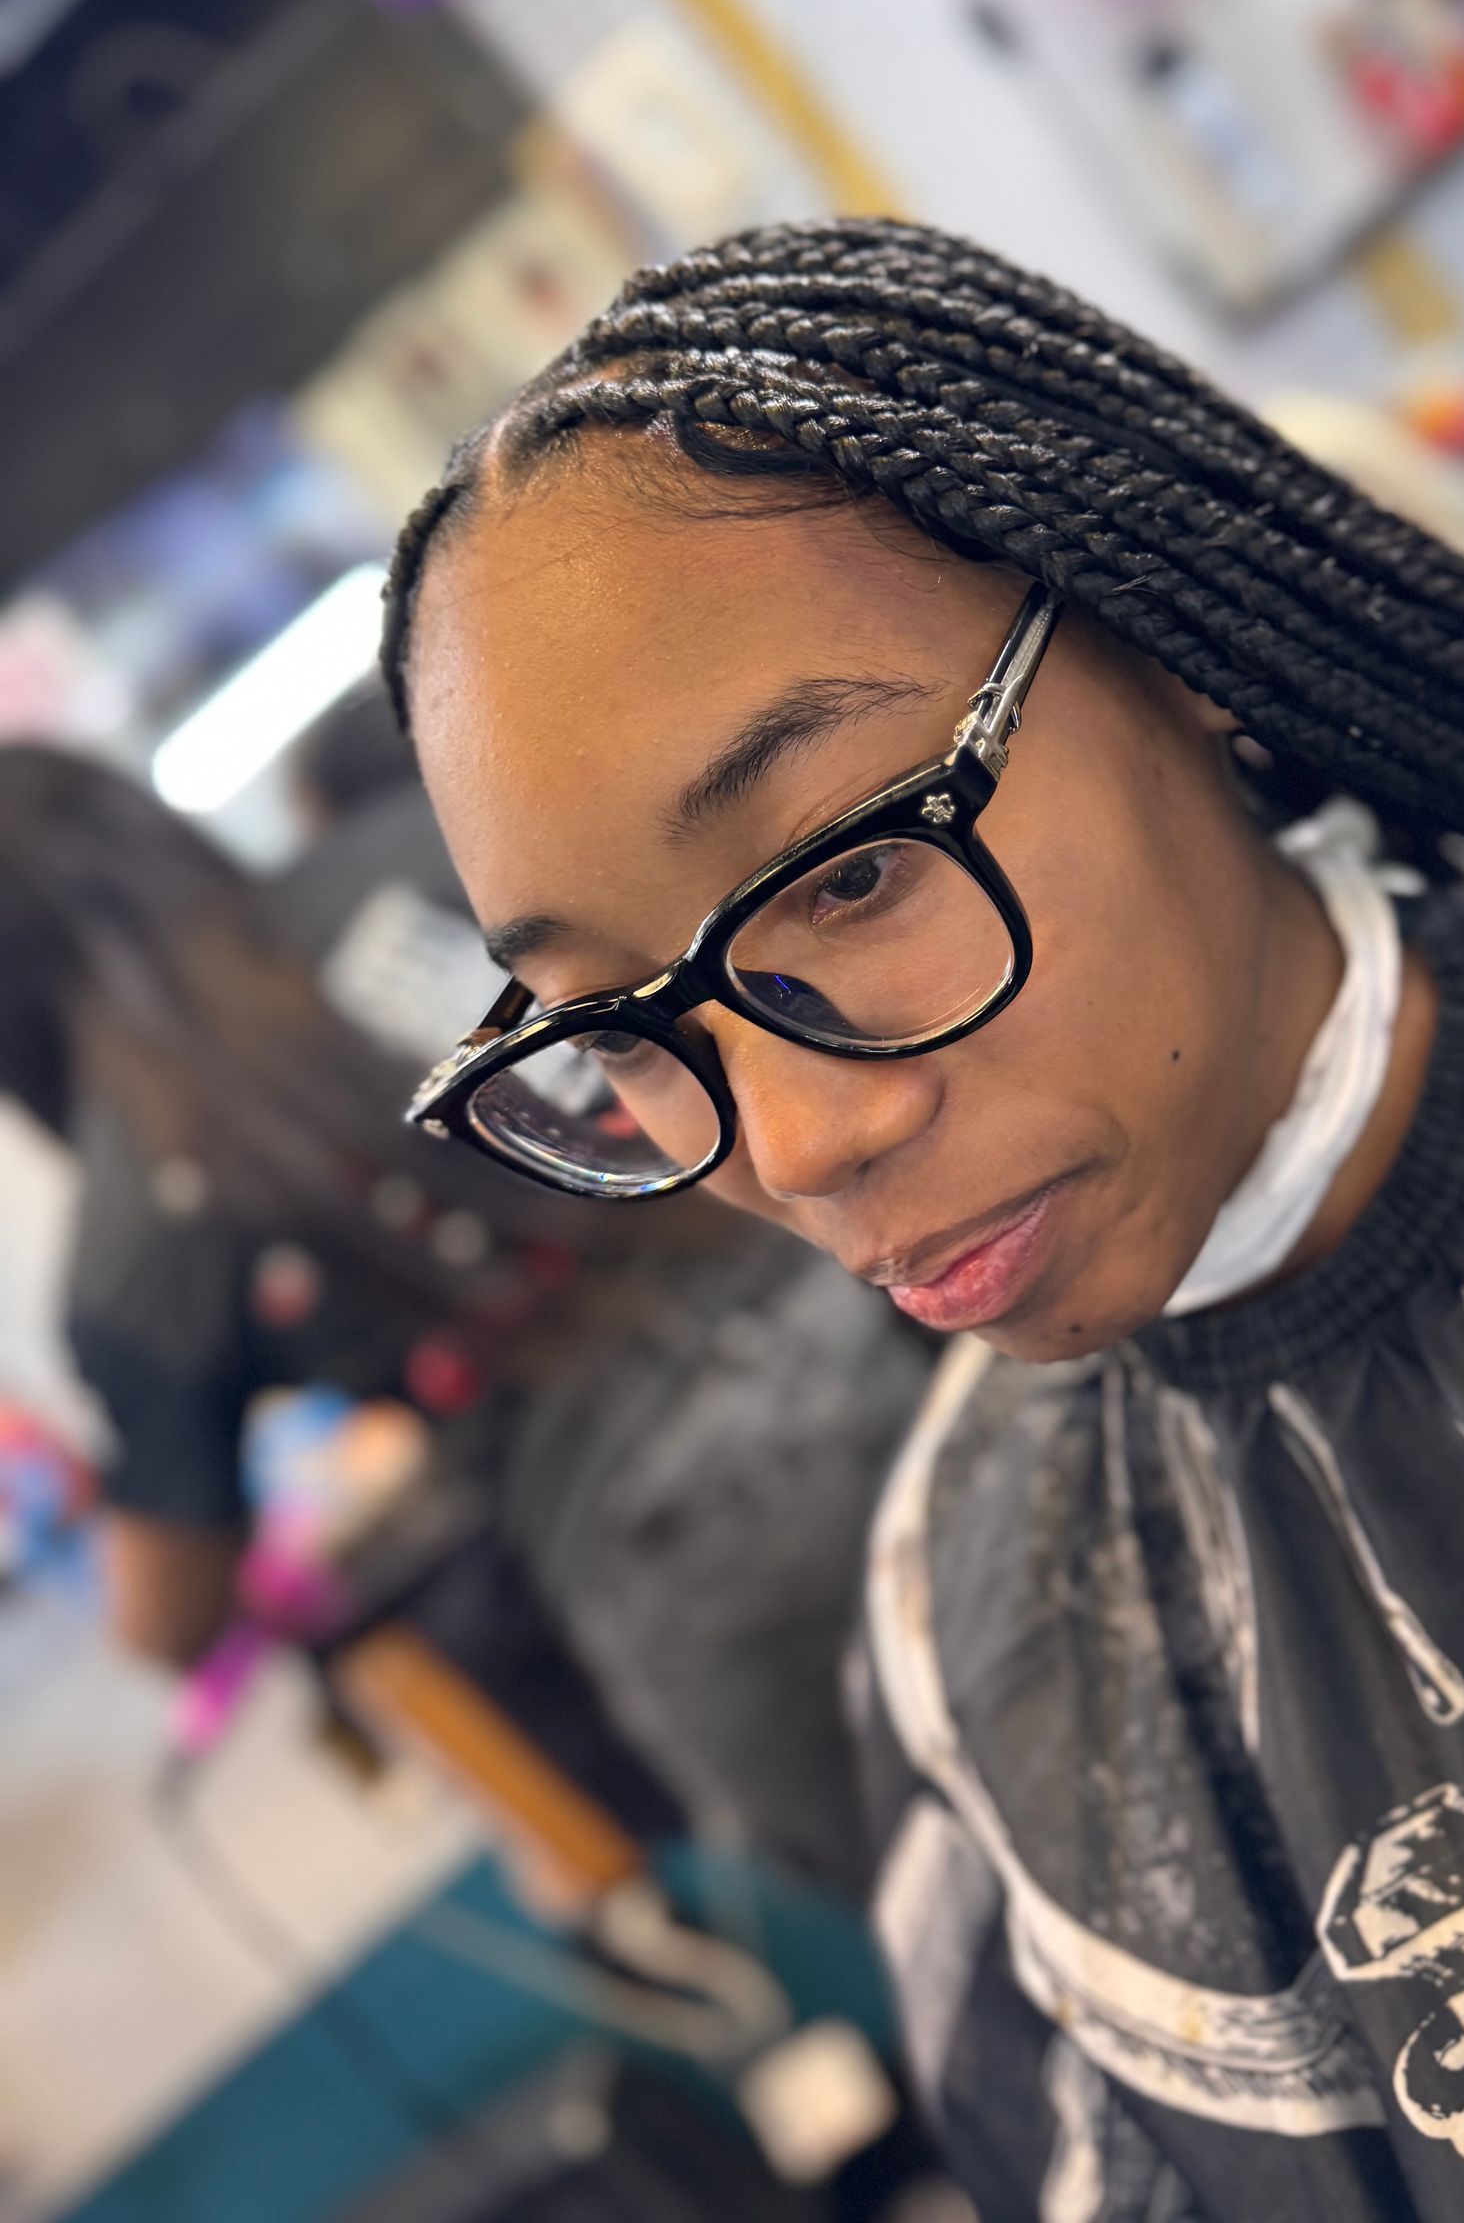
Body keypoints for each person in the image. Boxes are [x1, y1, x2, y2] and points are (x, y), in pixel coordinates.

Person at [379, 217, 1464, 2222]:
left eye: (850, 873)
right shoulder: (970, 1629)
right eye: (612, 1031)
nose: (798, 1135)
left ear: (1164, 645)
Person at [0, 745, 929, 1901]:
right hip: (888, 1326)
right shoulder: (416, 858)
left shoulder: (129, 1241)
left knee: (969, 1935)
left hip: (690, 1565)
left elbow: (167, 1620)